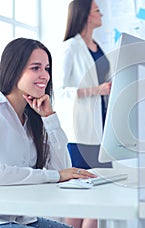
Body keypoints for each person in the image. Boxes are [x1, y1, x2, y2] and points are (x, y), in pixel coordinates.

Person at [0, 38, 97, 227]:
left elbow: (62, 168)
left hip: (24, 219)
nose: (45, 75)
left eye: (47, 68)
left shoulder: (32, 119)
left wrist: (50, 118)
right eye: (35, 68)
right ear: (14, 69)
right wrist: (56, 176)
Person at [53, 0, 112, 227]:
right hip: (80, 132)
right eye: (97, 10)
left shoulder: (98, 48)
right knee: (81, 196)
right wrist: (95, 90)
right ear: (86, 15)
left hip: (102, 129)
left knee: (98, 196)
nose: (101, 14)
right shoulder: (70, 48)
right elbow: (59, 90)